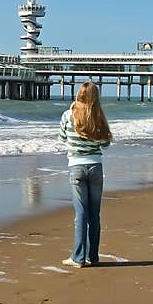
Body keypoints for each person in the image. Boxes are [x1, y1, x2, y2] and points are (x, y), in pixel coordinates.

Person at [58, 81, 113, 268]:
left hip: (76, 167)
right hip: (96, 167)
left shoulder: (68, 115)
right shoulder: (98, 117)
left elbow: (62, 138)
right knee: (94, 214)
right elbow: (106, 144)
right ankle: (92, 256)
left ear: (78, 95)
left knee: (80, 212)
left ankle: (78, 257)